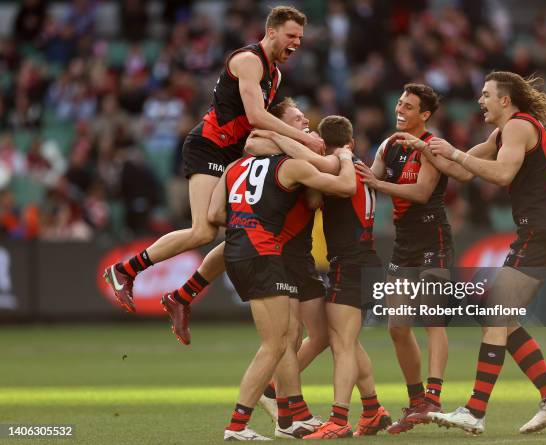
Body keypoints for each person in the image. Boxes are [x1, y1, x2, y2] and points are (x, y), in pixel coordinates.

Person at [102, 6, 323, 320]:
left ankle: (182, 296)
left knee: (242, 232)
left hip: (231, 155)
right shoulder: (249, 61)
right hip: (208, 146)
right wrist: (305, 140)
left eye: (300, 37)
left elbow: (259, 127)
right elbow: (256, 116)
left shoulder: (275, 73)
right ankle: (125, 270)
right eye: (291, 35)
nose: (297, 43)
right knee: (203, 231)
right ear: (271, 31)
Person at [400, 71, 546, 435]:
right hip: (541, 232)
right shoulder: (504, 132)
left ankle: (475, 410)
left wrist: (457, 153)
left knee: (495, 315)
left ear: (505, 100)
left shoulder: (519, 127)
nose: (480, 100)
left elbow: (503, 174)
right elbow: (460, 170)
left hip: (542, 233)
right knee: (501, 320)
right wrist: (426, 149)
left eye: (485, 94)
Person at [207, 125, 356, 441]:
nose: (305, 132)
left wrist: (248, 218)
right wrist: (344, 157)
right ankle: (237, 425)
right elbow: (345, 187)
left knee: (288, 336)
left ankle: (289, 420)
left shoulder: (236, 167)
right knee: (275, 343)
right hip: (264, 252)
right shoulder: (290, 165)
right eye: (299, 127)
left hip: (240, 248)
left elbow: (215, 213)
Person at [355, 83, 452, 433]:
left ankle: (434, 398)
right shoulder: (389, 145)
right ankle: (416, 401)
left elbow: (423, 192)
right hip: (404, 242)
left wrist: (379, 186)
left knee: (432, 318)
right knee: (397, 326)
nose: (400, 109)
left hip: (433, 236)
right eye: (399, 102)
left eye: (409, 106)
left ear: (424, 115)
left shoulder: (432, 146)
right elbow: (367, 180)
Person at [301, 116, 390, 440]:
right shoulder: (357, 164)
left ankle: (339, 419)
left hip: (350, 263)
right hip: (364, 258)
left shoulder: (338, 168)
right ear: (350, 141)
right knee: (348, 341)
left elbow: (311, 201)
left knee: (341, 344)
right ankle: (373, 410)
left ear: (325, 144)